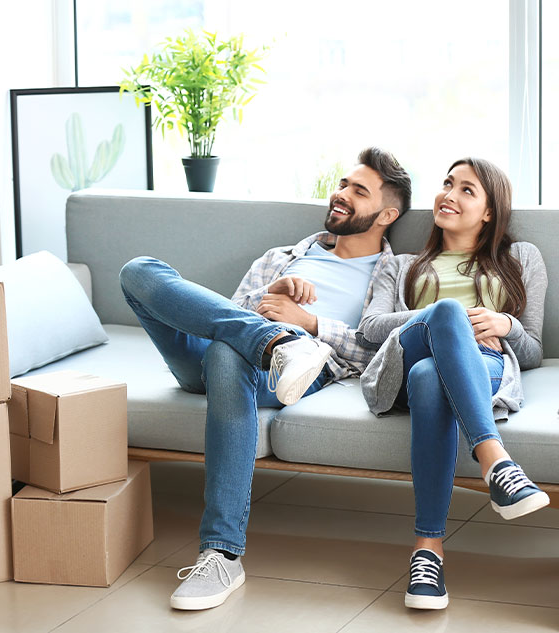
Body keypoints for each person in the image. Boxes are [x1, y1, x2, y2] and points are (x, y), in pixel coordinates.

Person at [119, 147, 412, 610]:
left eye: (359, 192)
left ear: (387, 214)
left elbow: (379, 349)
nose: (341, 196)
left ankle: (221, 553)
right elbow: (223, 317)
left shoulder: (392, 272)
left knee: (225, 353)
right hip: (236, 346)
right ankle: (274, 341)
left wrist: (310, 324)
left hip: (293, 368)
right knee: (138, 270)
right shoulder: (282, 256)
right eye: (342, 184)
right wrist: (267, 297)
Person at [356, 157, 549, 611]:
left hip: (485, 365)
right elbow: (370, 328)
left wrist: (505, 324)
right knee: (444, 316)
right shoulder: (401, 263)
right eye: (447, 184)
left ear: (489, 211)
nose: (449, 194)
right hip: (404, 360)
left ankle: (428, 552)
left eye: (467, 190)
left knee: (431, 378)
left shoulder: (521, 259)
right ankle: (496, 461)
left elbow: (533, 351)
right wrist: (447, 318)